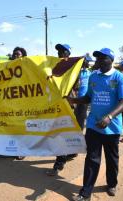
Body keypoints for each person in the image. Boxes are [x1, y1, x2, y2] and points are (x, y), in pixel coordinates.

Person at [68, 48, 123, 201]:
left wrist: (109, 117)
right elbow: (89, 97)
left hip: (112, 127)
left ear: (110, 60)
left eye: (102, 58)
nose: (98, 61)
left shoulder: (119, 77)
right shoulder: (94, 77)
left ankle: (111, 184)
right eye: (97, 58)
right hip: (93, 126)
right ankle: (85, 193)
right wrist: (74, 100)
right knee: (92, 159)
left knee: (112, 159)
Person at [46, 43, 75, 176]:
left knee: (62, 134)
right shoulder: (53, 66)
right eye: (59, 51)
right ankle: (70, 152)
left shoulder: (74, 67)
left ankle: (58, 164)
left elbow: (77, 85)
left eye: (63, 51)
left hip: (68, 105)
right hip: (55, 105)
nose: (60, 54)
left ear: (68, 54)